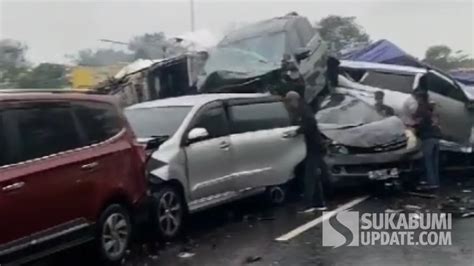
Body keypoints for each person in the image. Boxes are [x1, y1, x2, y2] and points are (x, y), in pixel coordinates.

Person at [285, 91, 328, 213]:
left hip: (313, 147)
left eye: (289, 101)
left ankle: (308, 205)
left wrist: (297, 131)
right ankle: (319, 203)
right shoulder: (300, 109)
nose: (288, 104)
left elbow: (310, 124)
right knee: (313, 175)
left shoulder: (304, 109)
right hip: (309, 147)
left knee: (309, 176)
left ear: (295, 100)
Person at [413, 87, 441, 190]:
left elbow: (418, 123)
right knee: (434, 162)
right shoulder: (431, 108)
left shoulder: (421, 108)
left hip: (427, 138)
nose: (415, 99)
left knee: (427, 161)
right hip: (436, 137)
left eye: (416, 97)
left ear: (420, 98)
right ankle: (435, 182)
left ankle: (430, 183)